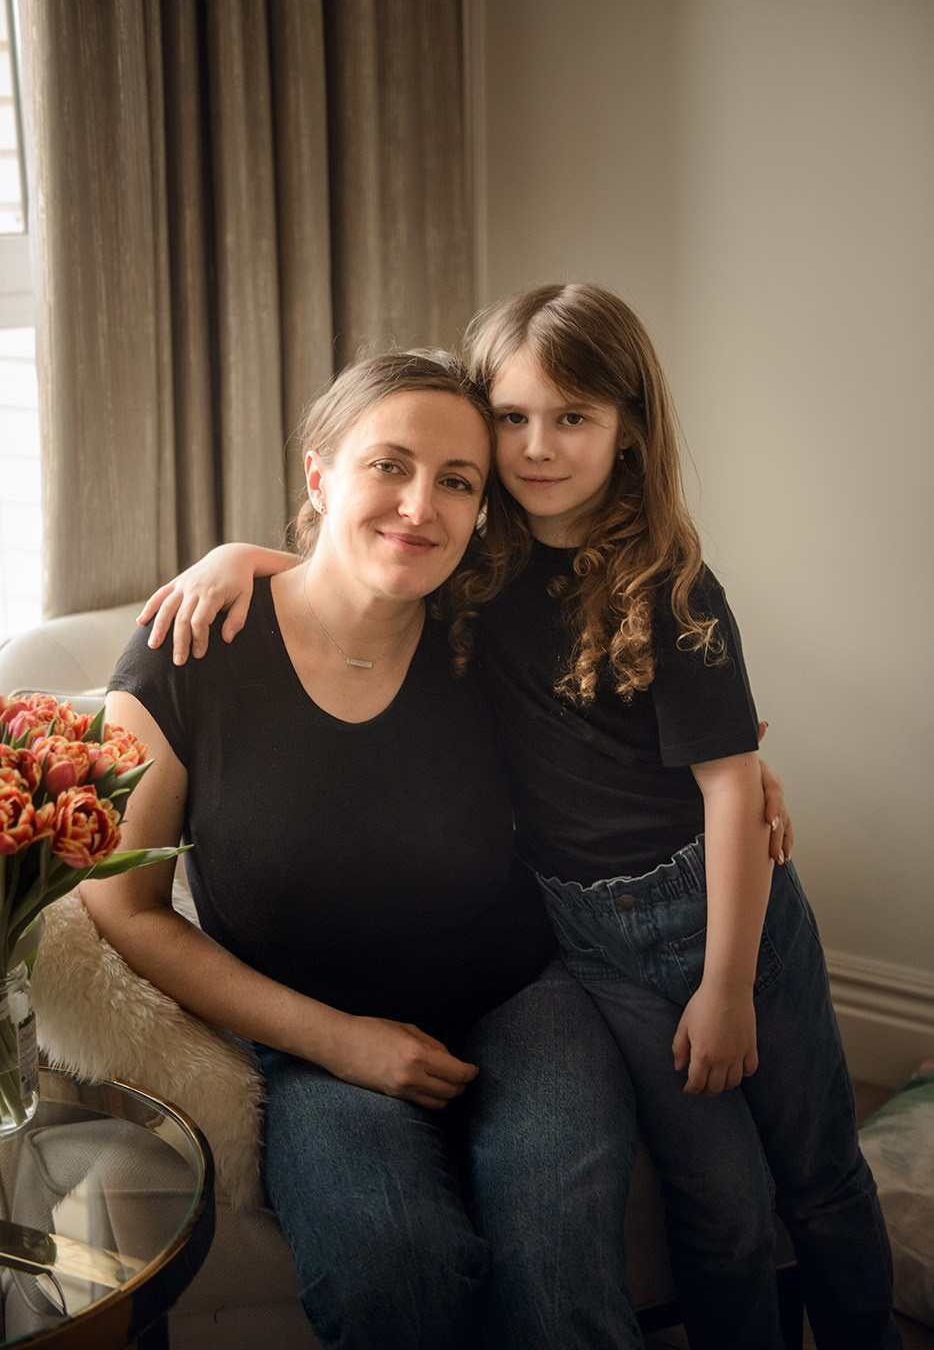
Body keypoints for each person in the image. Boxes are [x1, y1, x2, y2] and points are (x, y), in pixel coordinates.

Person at [139, 287, 900, 1350]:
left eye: (572, 417)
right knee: (704, 1200)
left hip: (649, 932)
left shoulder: (592, 585)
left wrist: (732, 836)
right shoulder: (461, 579)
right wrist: (237, 557)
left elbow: (717, 773)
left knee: (788, 1176)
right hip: (573, 948)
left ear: (627, 431)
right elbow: (352, 566)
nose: (534, 447)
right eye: (511, 418)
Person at [80, 350, 647, 1350]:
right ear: (318, 477)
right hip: (312, 1030)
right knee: (395, 1269)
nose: (420, 504)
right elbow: (125, 905)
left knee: (561, 1278)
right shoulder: (189, 649)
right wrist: (339, 1041)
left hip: (518, 997)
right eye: (387, 464)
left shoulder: (489, 636)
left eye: (457, 481)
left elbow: (636, 737)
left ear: (481, 510)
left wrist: (737, 775)